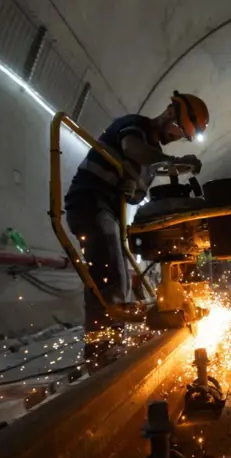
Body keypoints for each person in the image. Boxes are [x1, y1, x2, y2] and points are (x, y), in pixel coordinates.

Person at [64, 91, 209, 363]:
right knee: (110, 273)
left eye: (182, 135)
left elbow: (135, 196)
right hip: (88, 200)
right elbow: (131, 148)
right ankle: (100, 349)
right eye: (178, 129)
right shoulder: (134, 125)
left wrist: (130, 187)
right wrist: (171, 162)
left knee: (116, 272)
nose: (176, 136)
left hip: (109, 209)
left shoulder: (152, 161)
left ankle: (109, 341)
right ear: (170, 112)